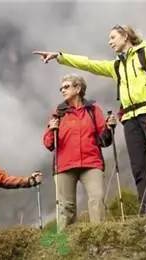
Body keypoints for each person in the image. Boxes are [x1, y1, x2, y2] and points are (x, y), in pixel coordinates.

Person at [33, 24, 146, 214]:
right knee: (139, 166)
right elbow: (89, 64)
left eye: (113, 37)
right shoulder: (117, 65)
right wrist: (59, 56)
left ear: (125, 36)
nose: (110, 42)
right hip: (130, 119)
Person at [43, 74, 114, 232]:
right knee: (66, 208)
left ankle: (99, 236)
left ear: (78, 88)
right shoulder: (58, 113)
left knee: (97, 198)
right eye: (61, 88)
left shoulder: (93, 110)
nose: (62, 90)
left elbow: (105, 141)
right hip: (64, 166)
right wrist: (51, 129)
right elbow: (48, 143)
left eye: (66, 86)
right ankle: (66, 245)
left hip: (91, 163)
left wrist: (110, 128)